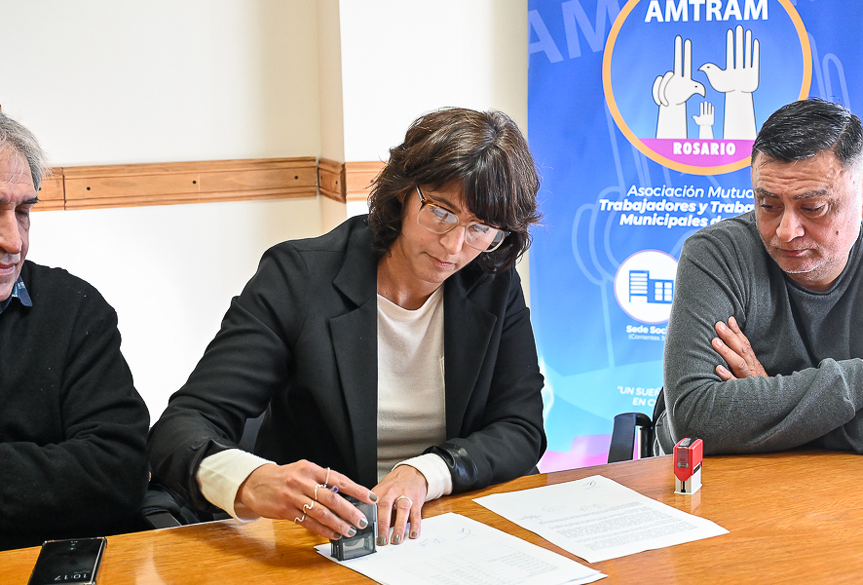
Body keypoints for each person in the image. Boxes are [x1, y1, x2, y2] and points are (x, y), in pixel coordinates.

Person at [148, 107, 546, 545]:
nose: (453, 246)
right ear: (403, 193)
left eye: (480, 228)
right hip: (322, 537)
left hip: (445, 527)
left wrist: (426, 472)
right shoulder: (299, 277)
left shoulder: (492, 281)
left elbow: (521, 427)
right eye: (441, 212)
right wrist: (251, 480)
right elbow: (181, 428)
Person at [656, 98, 863, 459]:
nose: (786, 230)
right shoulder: (717, 255)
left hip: (852, 488)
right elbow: (694, 418)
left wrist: (777, 417)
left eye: (813, 207)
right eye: (768, 204)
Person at [0, 113, 150, 550]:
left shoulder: (74, 308)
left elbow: (118, 470)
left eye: (23, 212)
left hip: (53, 570)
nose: (14, 242)